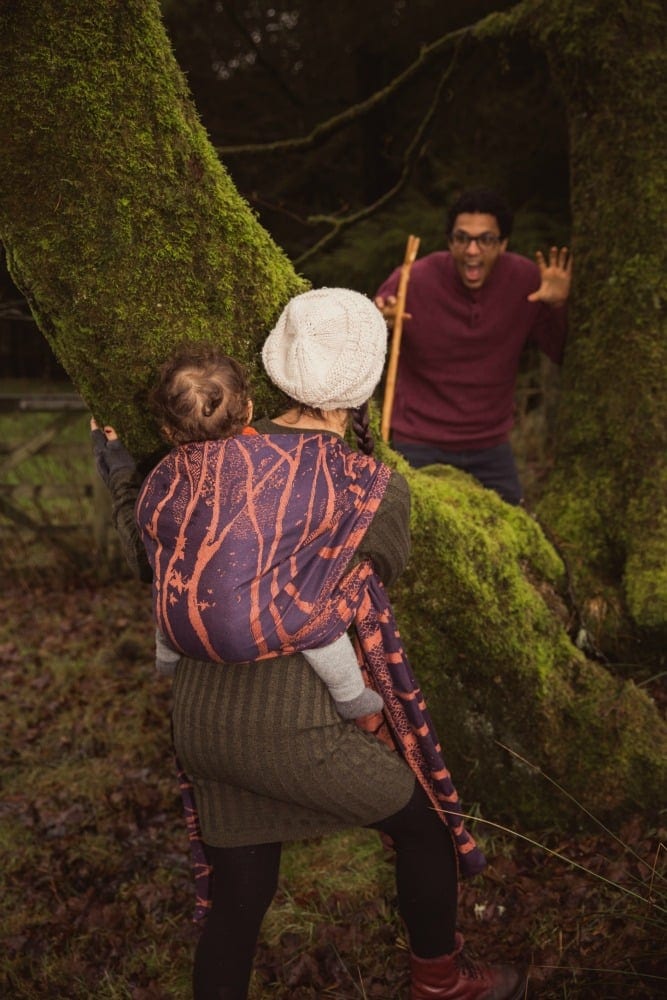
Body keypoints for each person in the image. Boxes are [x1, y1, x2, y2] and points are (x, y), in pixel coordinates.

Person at [93, 287, 526, 1000]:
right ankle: (440, 984)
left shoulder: (206, 456)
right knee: (424, 832)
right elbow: (369, 579)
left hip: (199, 722)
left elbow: (153, 551)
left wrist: (115, 469)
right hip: (289, 728)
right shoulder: (369, 486)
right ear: (364, 381)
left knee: (238, 902)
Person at [136, 341, 383, 720]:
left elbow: (151, 528)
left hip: (179, 630)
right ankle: (349, 695)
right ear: (249, 409)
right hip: (248, 631)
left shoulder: (164, 475)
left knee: (171, 577)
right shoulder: (275, 460)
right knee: (316, 617)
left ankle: (165, 656)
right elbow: (312, 502)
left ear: (168, 430)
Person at [374, 187, 573, 505]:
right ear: (450, 242)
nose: (472, 249)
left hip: (490, 446)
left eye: (486, 239)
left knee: (516, 540)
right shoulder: (412, 279)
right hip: (417, 441)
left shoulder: (526, 281)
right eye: (462, 238)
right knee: (408, 534)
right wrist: (380, 321)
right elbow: (365, 341)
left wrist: (558, 306)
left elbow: (561, 351)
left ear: (503, 244)